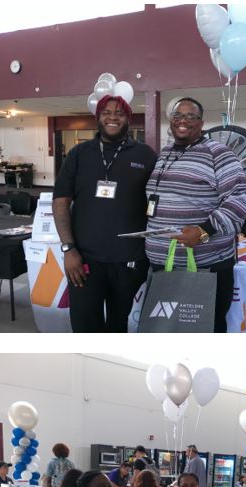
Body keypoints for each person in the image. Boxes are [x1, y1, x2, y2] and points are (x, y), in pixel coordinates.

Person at [144, 97, 246, 332]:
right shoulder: (166, 153)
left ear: (201, 123)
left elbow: (240, 198)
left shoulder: (218, 153)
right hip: (165, 265)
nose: (182, 121)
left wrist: (204, 231)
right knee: (169, 328)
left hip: (206, 266)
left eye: (190, 116)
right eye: (177, 116)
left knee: (205, 328)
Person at [52, 95, 157, 332]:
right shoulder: (79, 154)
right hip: (84, 262)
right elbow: (60, 202)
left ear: (128, 119)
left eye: (119, 113)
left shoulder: (145, 155)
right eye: (107, 112)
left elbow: (161, 198)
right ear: (98, 117)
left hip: (130, 260)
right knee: (84, 327)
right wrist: (69, 249)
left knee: (120, 326)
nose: (113, 117)